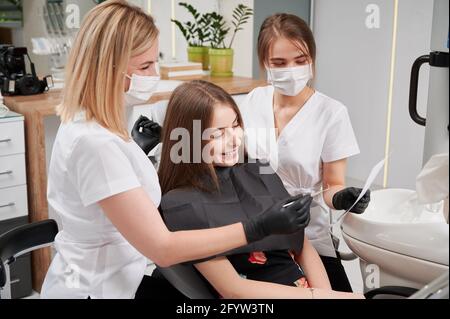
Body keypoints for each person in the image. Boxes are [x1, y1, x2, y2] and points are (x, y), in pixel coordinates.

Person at [41, 1, 312, 299]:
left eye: (155, 60)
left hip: (119, 279)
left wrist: (136, 152)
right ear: (108, 68)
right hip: (95, 289)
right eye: (144, 66)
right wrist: (257, 227)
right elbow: (163, 248)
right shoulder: (96, 144)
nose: (155, 73)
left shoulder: (95, 125)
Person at [156, 80, 364, 299]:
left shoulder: (258, 171)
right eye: (217, 134)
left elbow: (302, 245)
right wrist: (318, 297)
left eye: (235, 125)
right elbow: (234, 290)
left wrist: (327, 295)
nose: (234, 140)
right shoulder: (183, 205)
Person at [239, 13, 371, 292]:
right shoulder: (253, 101)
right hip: (254, 232)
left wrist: (343, 196)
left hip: (308, 235)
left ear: (312, 58)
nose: (292, 69)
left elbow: (332, 186)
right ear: (264, 63)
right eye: (279, 63)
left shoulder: (331, 113)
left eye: (301, 61)